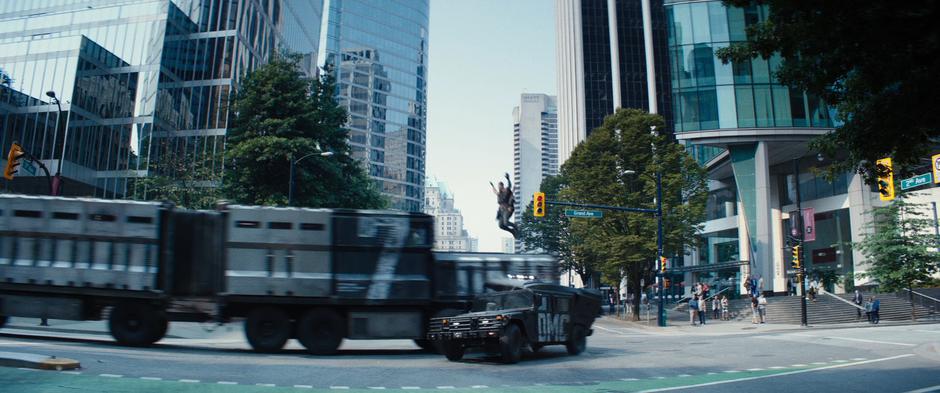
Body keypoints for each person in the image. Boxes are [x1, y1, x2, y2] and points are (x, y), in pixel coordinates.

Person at [489, 173, 517, 238]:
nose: (498, 187)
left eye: (499, 186)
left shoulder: (506, 190)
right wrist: (492, 186)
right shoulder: (499, 194)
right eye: (498, 186)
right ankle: (512, 231)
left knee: (506, 222)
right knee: (501, 225)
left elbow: (510, 185)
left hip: (507, 208)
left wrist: (508, 179)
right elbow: (495, 191)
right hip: (501, 211)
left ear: (502, 186)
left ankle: (515, 226)